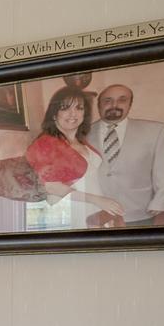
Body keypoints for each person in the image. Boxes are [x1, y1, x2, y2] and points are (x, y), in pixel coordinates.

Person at [25, 85, 123, 227]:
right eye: (65, 108)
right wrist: (97, 200)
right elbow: (52, 187)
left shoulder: (82, 141)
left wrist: (104, 204)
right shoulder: (45, 143)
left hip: (96, 210)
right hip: (71, 210)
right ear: (54, 114)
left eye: (79, 108)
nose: (73, 114)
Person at [86, 81, 164, 223]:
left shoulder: (154, 131)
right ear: (99, 105)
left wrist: (160, 202)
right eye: (107, 101)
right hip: (96, 215)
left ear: (130, 104)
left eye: (122, 100)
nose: (114, 105)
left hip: (140, 213)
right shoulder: (82, 134)